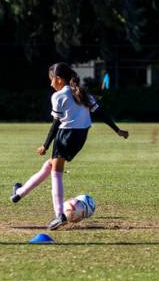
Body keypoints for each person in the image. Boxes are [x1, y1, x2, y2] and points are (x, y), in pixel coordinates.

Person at [11, 63, 130, 230]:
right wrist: (117, 130)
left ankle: (60, 215)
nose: (51, 84)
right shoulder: (83, 93)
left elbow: (56, 123)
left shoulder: (58, 96)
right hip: (81, 137)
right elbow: (101, 113)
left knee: (56, 174)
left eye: (51, 80)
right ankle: (19, 193)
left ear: (59, 79)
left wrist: (45, 146)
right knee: (50, 165)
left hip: (65, 135)